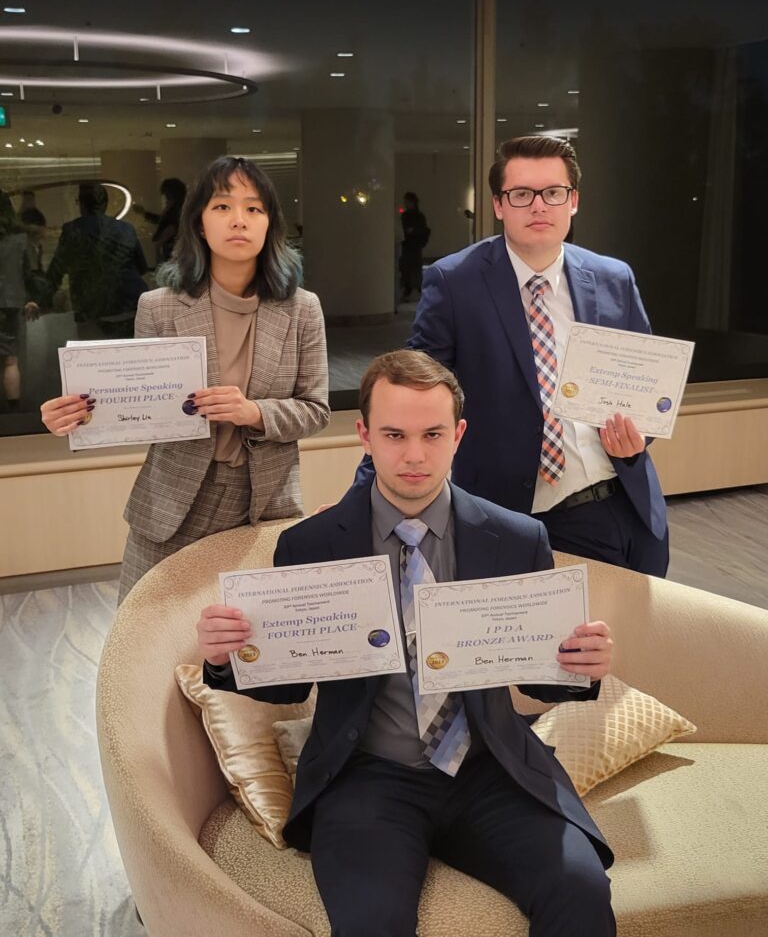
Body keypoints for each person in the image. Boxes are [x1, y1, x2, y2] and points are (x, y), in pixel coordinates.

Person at [198, 349, 616, 937]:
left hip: (489, 768)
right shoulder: (310, 544)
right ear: (363, 434)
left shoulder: (519, 539)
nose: (414, 455)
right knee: (371, 924)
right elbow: (288, 681)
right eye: (394, 434)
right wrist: (223, 660)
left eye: (432, 434)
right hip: (369, 775)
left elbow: (539, 675)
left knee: (581, 890)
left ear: (458, 435)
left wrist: (581, 666)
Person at [362, 136, 668, 577]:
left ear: (574, 201)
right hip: (513, 513)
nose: (539, 206)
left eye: (553, 193)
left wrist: (640, 436)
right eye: (522, 194)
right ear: (499, 205)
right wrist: (364, 499)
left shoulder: (612, 278)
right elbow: (410, 393)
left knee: (630, 638)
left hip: (624, 502)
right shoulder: (455, 282)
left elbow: (647, 388)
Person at [40, 156, 330, 600]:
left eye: (254, 209)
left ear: (270, 224)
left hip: (264, 504)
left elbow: (316, 410)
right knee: (146, 645)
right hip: (173, 502)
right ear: (198, 223)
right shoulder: (159, 306)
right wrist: (81, 414)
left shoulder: (302, 308)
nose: (239, 220)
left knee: (249, 651)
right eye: (222, 207)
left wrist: (253, 412)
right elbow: (142, 407)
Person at [44, 182, 149, 339]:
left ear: (82, 205)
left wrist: (39, 300)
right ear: (105, 204)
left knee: (92, 357)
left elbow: (56, 270)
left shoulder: (72, 229)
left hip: (92, 309)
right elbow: (142, 267)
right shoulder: (126, 228)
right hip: (129, 305)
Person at [0, 191, 40, 412]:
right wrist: (32, 298)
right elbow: (29, 273)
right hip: (10, 302)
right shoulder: (20, 240)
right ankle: (13, 412)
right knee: (10, 361)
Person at [133, 176, 187, 262]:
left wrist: (160, 242)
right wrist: (144, 213)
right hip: (169, 246)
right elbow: (164, 221)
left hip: (170, 246)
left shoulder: (176, 208)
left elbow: (172, 225)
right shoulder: (176, 206)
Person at [399, 191, 430, 302]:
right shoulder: (408, 216)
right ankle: (411, 289)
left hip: (414, 245)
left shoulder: (416, 216)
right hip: (410, 245)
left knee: (414, 268)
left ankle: (415, 289)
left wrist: (413, 231)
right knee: (408, 268)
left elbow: (420, 230)